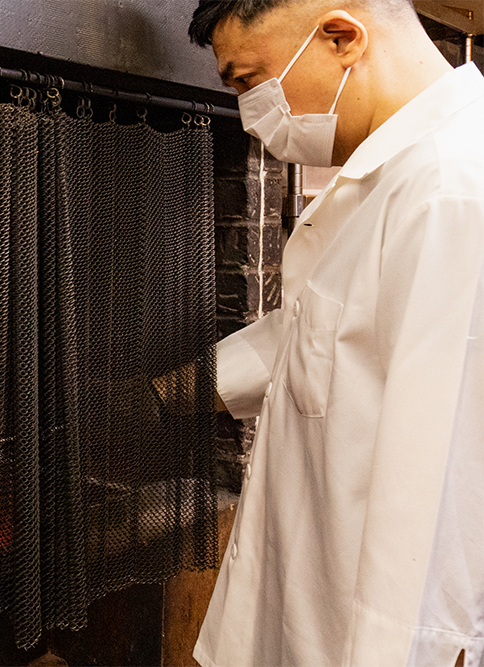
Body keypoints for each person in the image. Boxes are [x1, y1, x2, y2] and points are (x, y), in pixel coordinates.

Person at [187, 1, 484, 665]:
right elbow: (321, 334)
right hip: (307, 613)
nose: (250, 110)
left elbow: (436, 505)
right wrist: (172, 390)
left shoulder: (452, 190)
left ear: (342, 38)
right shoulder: (390, 177)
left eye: (249, 81)